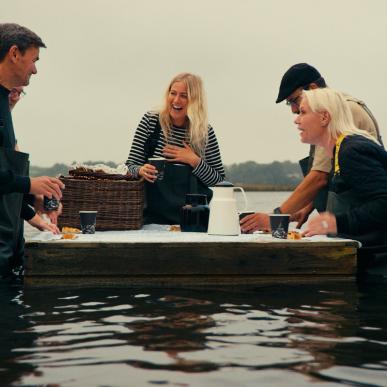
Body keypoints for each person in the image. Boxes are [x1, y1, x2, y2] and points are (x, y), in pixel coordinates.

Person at [241, 63, 381, 233]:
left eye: (295, 102)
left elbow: (319, 177)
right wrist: (307, 206)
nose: (294, 113)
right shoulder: (337, 125)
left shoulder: (342, 122)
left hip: (369, 243)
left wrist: (275, 218)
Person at [0, 23, 64, 278]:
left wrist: (31, 200)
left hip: (8, 247)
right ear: (14, 53)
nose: (35, 69)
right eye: (33, 60)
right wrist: (29, 184)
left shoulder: (3, 102)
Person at [126, 72, 225, 224]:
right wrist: (140, 170)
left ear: (195, 101)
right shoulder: (150, 122)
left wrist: (194, 160)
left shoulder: (204, 132)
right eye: (173, 93)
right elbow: (129, 167)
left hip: (192, 221)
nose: (176, 100)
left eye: (184, 96)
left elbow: (219, 181)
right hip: (150, 220)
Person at [295, 88, 387, 248]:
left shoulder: (351, 151)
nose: (296, 120)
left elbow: (384, 202)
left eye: (302, 112)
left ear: (324, 117)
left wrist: (336, 223)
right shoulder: (342, 148)